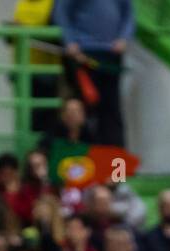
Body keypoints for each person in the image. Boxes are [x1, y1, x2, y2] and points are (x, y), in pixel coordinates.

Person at [55, 0, 133, 147]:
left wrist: (124, 38)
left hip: (111, 56)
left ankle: (115, 160)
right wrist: (70, 41)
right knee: (85, 108)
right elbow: (62, 13)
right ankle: (82, 156)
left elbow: (128, 15)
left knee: (111, 108)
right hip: (83, 55)